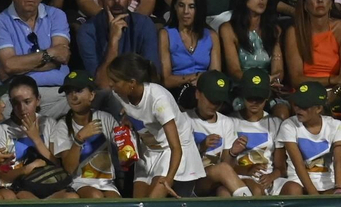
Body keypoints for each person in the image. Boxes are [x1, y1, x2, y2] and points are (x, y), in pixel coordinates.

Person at [104, 54, 203, 198]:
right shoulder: (118, 94)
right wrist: (128, 119)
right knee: (139, 203)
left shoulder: (159, 99)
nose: (110, 85)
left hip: (171, 148)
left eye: (115, 81)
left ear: (132, 83)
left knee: (153, 202)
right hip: (149, 148)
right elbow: (136, 110)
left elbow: (176, 147)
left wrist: (168, 180)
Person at [0, 0, 72, 117]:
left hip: (58, 94)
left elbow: (62, 56)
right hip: (16, 97)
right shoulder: (0, 22)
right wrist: (50, 54)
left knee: (86, 102)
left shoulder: (57, 16)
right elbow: (9, 65)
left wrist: (16, 68)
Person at [3, 76, 79, 199]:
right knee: (27, 199)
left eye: (27, 102)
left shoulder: (49, 123)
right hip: (22, 185)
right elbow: (3, 173)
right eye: (16, 103)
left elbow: (58, 165)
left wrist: (36, 139)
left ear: (38, 100)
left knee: (71, 197)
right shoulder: (4, 129)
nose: (22, 109)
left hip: (50, 181)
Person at [79, 0, 160, 85]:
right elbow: (102, 84)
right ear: (100, 0)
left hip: (138, 91)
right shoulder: (87, 31)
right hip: (105, 97)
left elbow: (152, 75)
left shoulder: (144, 24)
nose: (117, 0)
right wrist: (113, 41)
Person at [51, 70, 120, 197]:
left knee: (115, 202)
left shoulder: (105, 118)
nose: (73, 96)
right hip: (78, 182)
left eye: (78, 90)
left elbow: (123, 147)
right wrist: (79, 138)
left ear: (92, 95)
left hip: (107, 182)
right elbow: (69, 168)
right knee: (95, 196)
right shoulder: (63, 125)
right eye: (69, 92)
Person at [286, 0, 341, 97]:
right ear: (304, 5)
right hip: (305, 92)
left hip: (336, 92)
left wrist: (333, 95)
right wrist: (331, 80)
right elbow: (296, 79)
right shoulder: (294, 32)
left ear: (331, 3)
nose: (320, 0)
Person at [276, 82, 341, 195]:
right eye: (296, 104)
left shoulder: (337, 125)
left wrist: (339, 188)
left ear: (319, 108)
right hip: (298, 181)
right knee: (294, 190)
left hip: (327, 183)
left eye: (304, 107)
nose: (298, 109)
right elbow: (298, 164)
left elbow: (339, 161)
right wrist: (314, 197)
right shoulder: (288, 125)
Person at [219, 0, 285, 99]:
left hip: (268, 88)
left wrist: (271, 81)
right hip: (241, 88)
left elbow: (278, 70)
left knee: (281, 112)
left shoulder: (274, 30)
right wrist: (261, 81)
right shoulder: (228, 29)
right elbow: (234, 71)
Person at [184, 70, 246, 196]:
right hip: (190, 181)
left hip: (216, 180)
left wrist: (233, 153)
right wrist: (202, 147)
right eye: (211, 99)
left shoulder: (226, 123)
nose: (214, 105)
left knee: (224, 192)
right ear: (198, 94)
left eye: (218, 101)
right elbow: (181, 162)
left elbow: (228, 166)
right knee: (222, 169)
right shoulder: (185, 120)